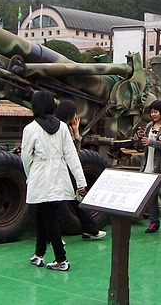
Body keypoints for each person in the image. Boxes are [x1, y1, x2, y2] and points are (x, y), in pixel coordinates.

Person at [21, 90, 87, 271]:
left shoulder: (30, 128)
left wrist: (29, 177)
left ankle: (61, 259)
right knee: (43, 215)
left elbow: (26, 157)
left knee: (48, 217)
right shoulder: (62, 127)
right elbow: (71, 156)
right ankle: (39, 254)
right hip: (59, 175)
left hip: (40, 174)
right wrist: (81, 182)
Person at [54, 99, 107, 240]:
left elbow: (74, 152)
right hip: (61, 169)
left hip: (66, 169)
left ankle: (89, 229)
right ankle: (89, 229)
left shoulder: (67, 128)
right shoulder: (60, 128)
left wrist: (76, 132)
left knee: (74, 201)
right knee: (69, 201)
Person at [139, 100, 161, 233]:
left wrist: (152, 142)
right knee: (151, 197)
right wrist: (141, 139)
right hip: (148, 165)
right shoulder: (149, 126)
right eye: (152, 112)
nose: (153, 114)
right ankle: (153, 222)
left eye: (156, 111)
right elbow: (143, 145)